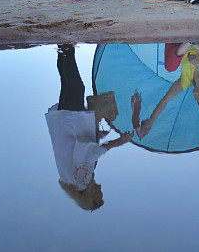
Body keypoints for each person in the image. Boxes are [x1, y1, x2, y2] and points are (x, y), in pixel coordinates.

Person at [45, 44, 133, 211]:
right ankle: (62, 49)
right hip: (64, 122)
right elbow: (77, 149)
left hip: (70, 120)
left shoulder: (81, 181)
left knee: (75, 87)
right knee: (66, 84)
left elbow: (87, 154)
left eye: (99, 194)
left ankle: (67, 48)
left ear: (90, 196)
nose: (100, 189)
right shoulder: (69, 181)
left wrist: (120, 141)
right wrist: (97, 136)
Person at [133, 41, 199, 139]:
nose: (196, 99)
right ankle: (194, 40)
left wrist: (151, 122)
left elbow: (165, 100)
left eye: (198, 101)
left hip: (179, 44)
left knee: (170, 67)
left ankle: (189, 41)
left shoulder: (186, 82)